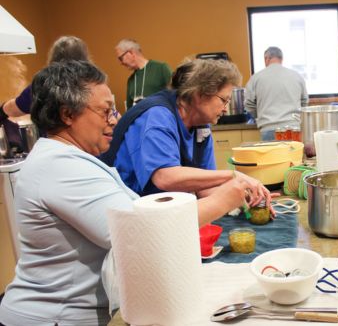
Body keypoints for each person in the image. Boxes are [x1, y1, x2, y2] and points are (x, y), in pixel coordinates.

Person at [0, 61, 252, 325]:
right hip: (55, 317)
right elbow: (139, 233)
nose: (115, 120)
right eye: (106, 111)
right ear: (68, 114)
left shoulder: (73, 159)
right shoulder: (60, 167)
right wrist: (224, 199)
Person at [101, 58, 273, 208]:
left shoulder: (201, 126)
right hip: (126, 210)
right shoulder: (157, 115)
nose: (226, 109)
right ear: (200, 95)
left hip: (163, 209)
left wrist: (245, 197)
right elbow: (165, 177)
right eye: (223, 100)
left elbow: (205, 187)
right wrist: (235, 175)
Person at [0, 35, 90, 119]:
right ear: (85, 57)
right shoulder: (95, 83)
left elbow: (13, 108)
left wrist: (2, 110)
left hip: (54, 135)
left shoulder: (43, 84)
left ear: (53, 57)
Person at [244, 46, 308, 141]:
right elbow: (304, 103)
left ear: (267, 58)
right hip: (293, 129)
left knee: (271, 156)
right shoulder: (297, 76)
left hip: (268, 128)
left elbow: (248, 105)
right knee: (294, 156)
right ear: (281, 59)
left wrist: (260, 115)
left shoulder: (256, 78)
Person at [115, 38, 171, 109]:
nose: (121, 63)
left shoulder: (161, 68)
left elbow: (176, 96)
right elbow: (129, 110)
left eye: (120, 58)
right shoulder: (130, 80)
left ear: (131, 53)